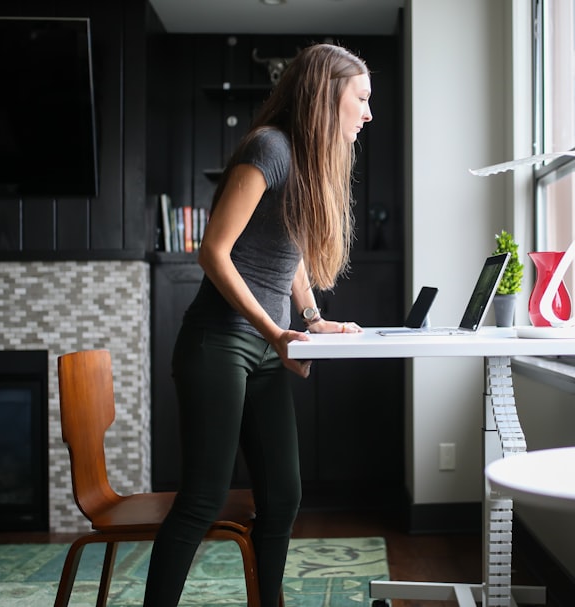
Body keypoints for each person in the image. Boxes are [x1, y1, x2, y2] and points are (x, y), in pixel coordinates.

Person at [143, 43, 373, 607]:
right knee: (202, 497)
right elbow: (214, 252)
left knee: (284, 495)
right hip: (218, 342)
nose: (368, 114)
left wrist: (312, 319)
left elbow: (287, 253)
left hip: (267, 347)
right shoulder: (269, 149)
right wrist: (275, 332)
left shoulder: (312, 162)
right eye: (361, 99)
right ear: (327, 96)